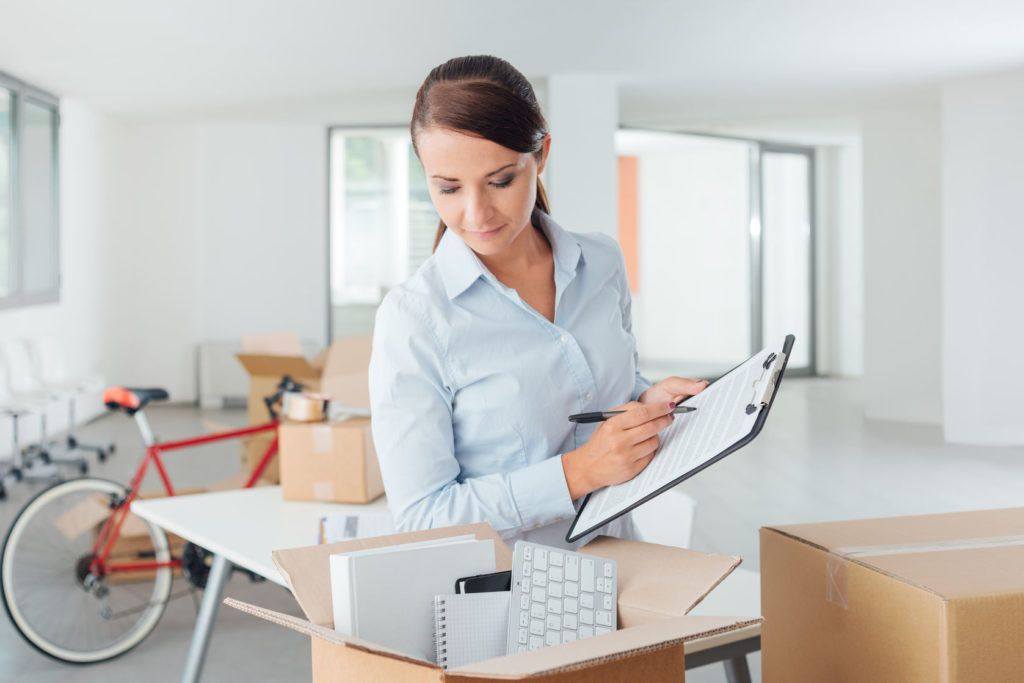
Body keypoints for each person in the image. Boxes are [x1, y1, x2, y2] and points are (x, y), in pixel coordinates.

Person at [368, 55, 706, 549]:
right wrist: (577, 473)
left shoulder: (602, 261)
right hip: (507, 593)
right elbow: (423, 517)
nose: (476, 213)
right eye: (448, 187)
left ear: (541, 154)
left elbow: (605, 391)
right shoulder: (415, 318)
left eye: (500, 181)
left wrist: (645, 403)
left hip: (624, 561)